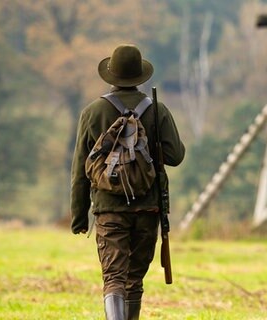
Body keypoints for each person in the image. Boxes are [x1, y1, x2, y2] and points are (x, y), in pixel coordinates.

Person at [70, 44, 185, 320]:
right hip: (147, 207)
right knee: (134, 278)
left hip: (109, 209)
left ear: (111, 76)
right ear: (140, 76)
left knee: (114, 278)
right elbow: (175, 156)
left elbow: (80, 168)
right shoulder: (158, 110)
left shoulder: (93, 112)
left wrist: (79, 216)